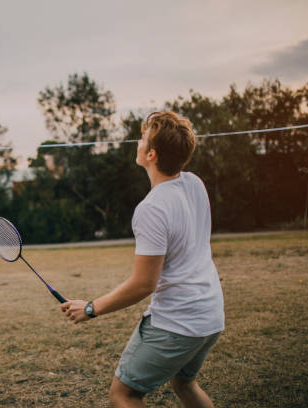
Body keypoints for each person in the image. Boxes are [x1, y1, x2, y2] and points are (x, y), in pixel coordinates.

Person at [61, 111, 224, 408]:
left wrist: (90, 308)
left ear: (151, 154)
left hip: (179, 322)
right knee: (184, 383)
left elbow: (143, 284)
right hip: (211, 314)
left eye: (143, 137)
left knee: (124, 394)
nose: (137, 142)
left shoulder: (152, 208)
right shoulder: (194, 183)